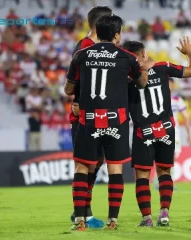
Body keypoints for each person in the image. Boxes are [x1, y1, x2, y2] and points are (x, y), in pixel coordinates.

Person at [64, 15, 153, 231]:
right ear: (116, 34)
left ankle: (79, 221)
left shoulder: (81, 55)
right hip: (116, 120)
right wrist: (142, 69)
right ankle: (112, 220)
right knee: (115, 169)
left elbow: (68, 89)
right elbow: (141, 84)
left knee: (82, 167)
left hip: (89, 119)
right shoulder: (127, 56)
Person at [124, 37, 191, 227]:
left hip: (143, 132)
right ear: (144, 54)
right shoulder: (162, 67)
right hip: (166, 129)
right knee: (164, 172)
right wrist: (189, 53)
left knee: (142, 176)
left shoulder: (125, 79)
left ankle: (146, 218)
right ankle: (164, 213)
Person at [68, 5, 112, 229]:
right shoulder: (85, 47)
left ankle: (83, 208)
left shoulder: (92, 46)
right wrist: (78, 102)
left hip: (96, 116)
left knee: (96, 161)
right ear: (102, 23)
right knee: (85, 164)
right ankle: (82, 213)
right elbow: (74, 82)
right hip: (83, 117)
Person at [152, 78, 191, 191]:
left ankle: (166, 181)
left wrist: (189, 134)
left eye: (171, 85)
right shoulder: (157, 99)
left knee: (173, 157)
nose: (169, 87)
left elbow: (185, 117)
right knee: (162, 157)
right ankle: (160, 180)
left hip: (175, 133)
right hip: (160, 131)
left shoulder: (177, 100)